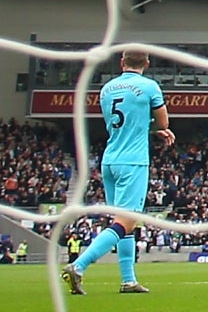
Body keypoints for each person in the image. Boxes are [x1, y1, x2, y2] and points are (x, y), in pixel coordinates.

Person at [65, 49, 171, 297]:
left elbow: (122, 122)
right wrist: (157, 129)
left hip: (110, 159)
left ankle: (128, 280)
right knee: (126, 221)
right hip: (133, 161)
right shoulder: (149, 87)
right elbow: (163, 122)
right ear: (147, 62)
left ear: (122, 62)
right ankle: (79, 266)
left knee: (123, 223)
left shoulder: (107, 89)